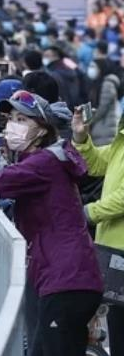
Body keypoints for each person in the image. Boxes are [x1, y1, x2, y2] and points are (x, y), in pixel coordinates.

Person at [0, 90, 103, 356]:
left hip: (67, 279)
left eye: (23, 119)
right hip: (61, 277)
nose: (12, 125)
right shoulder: (43, 160)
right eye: (11, 118)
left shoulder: (43, 163)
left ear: (42, 130)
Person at [73, 92, 124, 350]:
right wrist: (81, 137)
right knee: (118, 331)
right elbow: (92, 164)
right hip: (115, 253)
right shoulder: (121, 141)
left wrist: (88, 212)